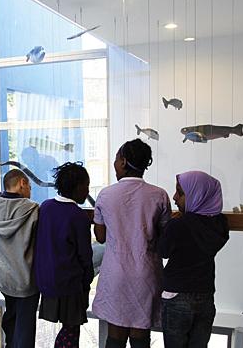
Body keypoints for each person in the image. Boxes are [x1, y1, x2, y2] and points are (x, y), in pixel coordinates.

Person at [92, 138, 172, 348]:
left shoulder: (105, 194)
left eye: (117, 159)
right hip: (146, 273)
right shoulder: (159, 195)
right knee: (140, 337)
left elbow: (100, 237)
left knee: (115, 337)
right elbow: (164, 236)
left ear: (124, 162)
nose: (115, 164)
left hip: (115, 274)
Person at [158, 171, 229, 348]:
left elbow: (163, 251)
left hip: (176, 294)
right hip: (205, 296)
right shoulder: (220, 225)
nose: (174, 198)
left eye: (180, 193)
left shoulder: (178, 225)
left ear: (196, 195)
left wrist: (165, 227)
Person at [34, 162, 94, 348]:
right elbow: (85, 255)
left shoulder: (45, 207)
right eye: (86, 186)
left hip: (46, 281)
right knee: (71, 329)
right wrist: (87, 281)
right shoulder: (78, 216)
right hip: (70, 283)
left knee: (68, 330)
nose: (87, 191)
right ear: (77, 187)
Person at [0, 169, 39, 348]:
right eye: (29, 186)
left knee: (11, 320)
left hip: (2, 278)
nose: (30, 191)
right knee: (25, 329)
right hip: (26, 279)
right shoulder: (32, 209)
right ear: (22, 182)